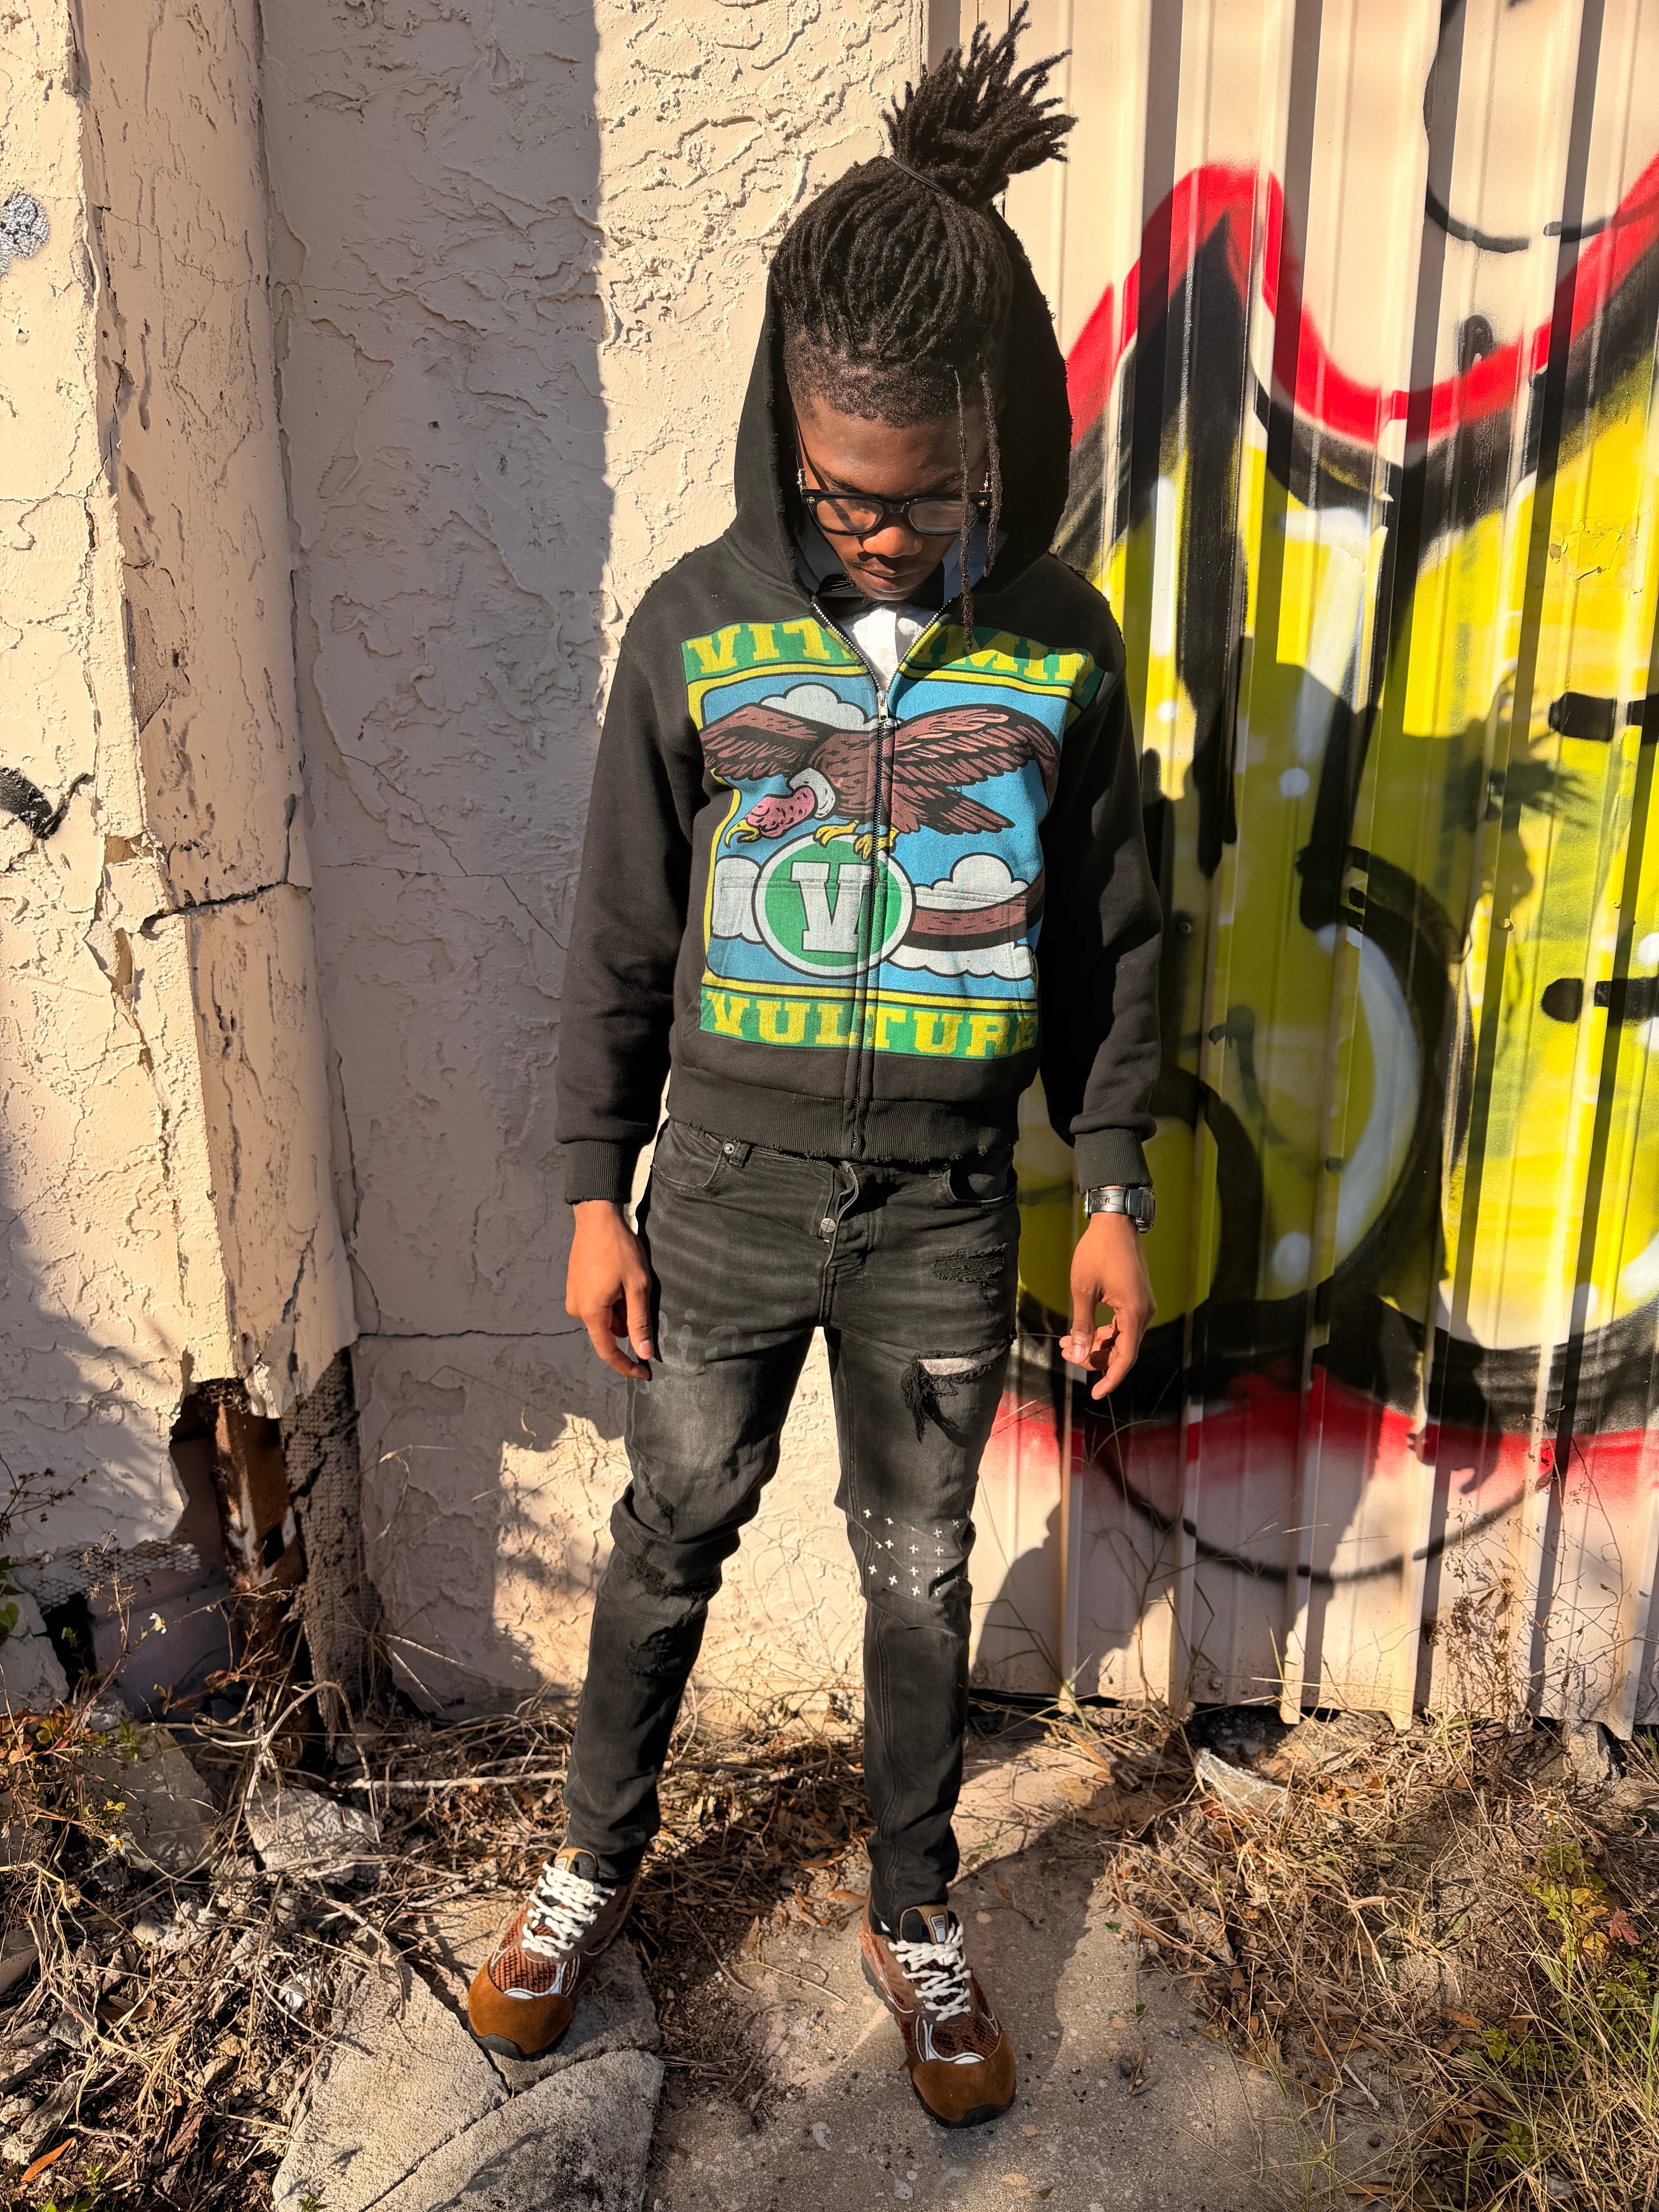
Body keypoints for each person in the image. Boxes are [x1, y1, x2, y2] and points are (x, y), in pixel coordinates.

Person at [466, 8, 1161, 2130]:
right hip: (723, 1199)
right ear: (785, 426)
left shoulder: (1062, 650)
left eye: (924, 496)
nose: (875, 533)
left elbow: (1113, 938)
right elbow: (618, 929)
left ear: (997, 437)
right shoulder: (693, 632)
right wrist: (592, 1189)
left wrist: (1110, 1184)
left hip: (947, 1211)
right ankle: (589, 1872)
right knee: (671, 1526)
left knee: (919, 1571)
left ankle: (915, 1910)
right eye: (839, 494)